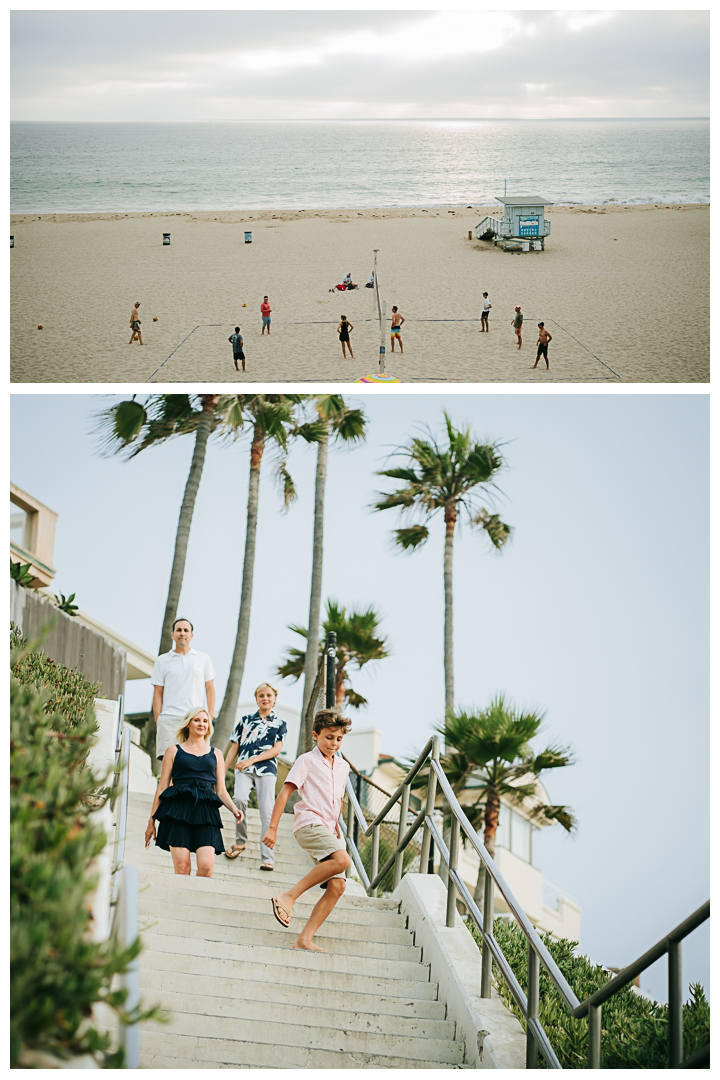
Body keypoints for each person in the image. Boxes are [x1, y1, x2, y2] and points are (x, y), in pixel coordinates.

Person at [263, 709, 353, 951]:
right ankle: (288, 896)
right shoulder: (306, 760)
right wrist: (272, 829)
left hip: (329, 830)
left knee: (338, 886)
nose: (333, 743)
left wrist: (336, 829)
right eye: (328, 737)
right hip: (309, 823)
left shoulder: (343, 767)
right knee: (343, 860)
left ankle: (304, 939)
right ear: (316, 735)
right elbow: (285, 794)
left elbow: (339, 800)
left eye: (338, 739)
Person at [144, 707, 242, 877]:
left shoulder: (216, 754)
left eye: (205, 721)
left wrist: (234, 809)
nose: (201, 724)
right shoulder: (173, 750)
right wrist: (151, 821)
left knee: (207, 867)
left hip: (206, 814)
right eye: (197, 720)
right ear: (188, 724)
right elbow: (162, 787)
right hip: (177, 812)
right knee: (182, 867)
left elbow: (221, 790)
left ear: (209, 726)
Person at [223, 683, 287, 869]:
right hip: (243, 768)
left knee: (267, 811)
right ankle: (240, 841)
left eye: (268, 695)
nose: (265, 698)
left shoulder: (280, 723)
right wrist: (221, 770)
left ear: (274, 699)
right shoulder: (245, 720)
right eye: (261, 695)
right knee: (239, 799)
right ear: (256, 698)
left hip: (266, 770)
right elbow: (234, 746)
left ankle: (268, 857)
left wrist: (252, 760)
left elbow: (276, 750)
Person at [151, 618, 216, 762]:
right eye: (178, 630)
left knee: (198, 762)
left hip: (196, 719)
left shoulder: (203, 658)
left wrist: (209, 715)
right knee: (170, 766)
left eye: (186, 630)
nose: (182, 633)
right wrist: (159, 718)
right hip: (169, 719)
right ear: (172, 635)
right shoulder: (162, 660)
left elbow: (210, 688)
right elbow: (157, 692)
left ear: (191, 635)